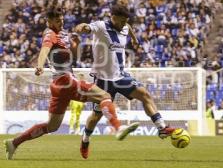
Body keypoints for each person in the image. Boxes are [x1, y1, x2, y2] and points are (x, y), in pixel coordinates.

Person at [3, 9, 138, 160]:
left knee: (52, 126)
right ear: (49, 22)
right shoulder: (50, 34)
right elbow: (44, 50)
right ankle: (118, 128)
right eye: (58, 21)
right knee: (104, 96)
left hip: (58, 85)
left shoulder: (61, 34)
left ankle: (14, 142)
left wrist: (75, 45)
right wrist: (40, 65)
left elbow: (68, 53)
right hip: (65, 81)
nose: (61, 23)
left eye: (62, 19)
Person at [75, 4, 176, 159]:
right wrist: (82, 27)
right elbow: (88, 28)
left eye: (125, 21)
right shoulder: (101, 26)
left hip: (121, 76)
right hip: (103, 80)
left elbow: (128, 27)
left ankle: (162, 127)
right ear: (113, 18)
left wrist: (134, 39)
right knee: (96, 116)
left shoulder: (124, 26)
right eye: (121, 21)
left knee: (145, 95)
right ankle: (85, 140)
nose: (123, 24)